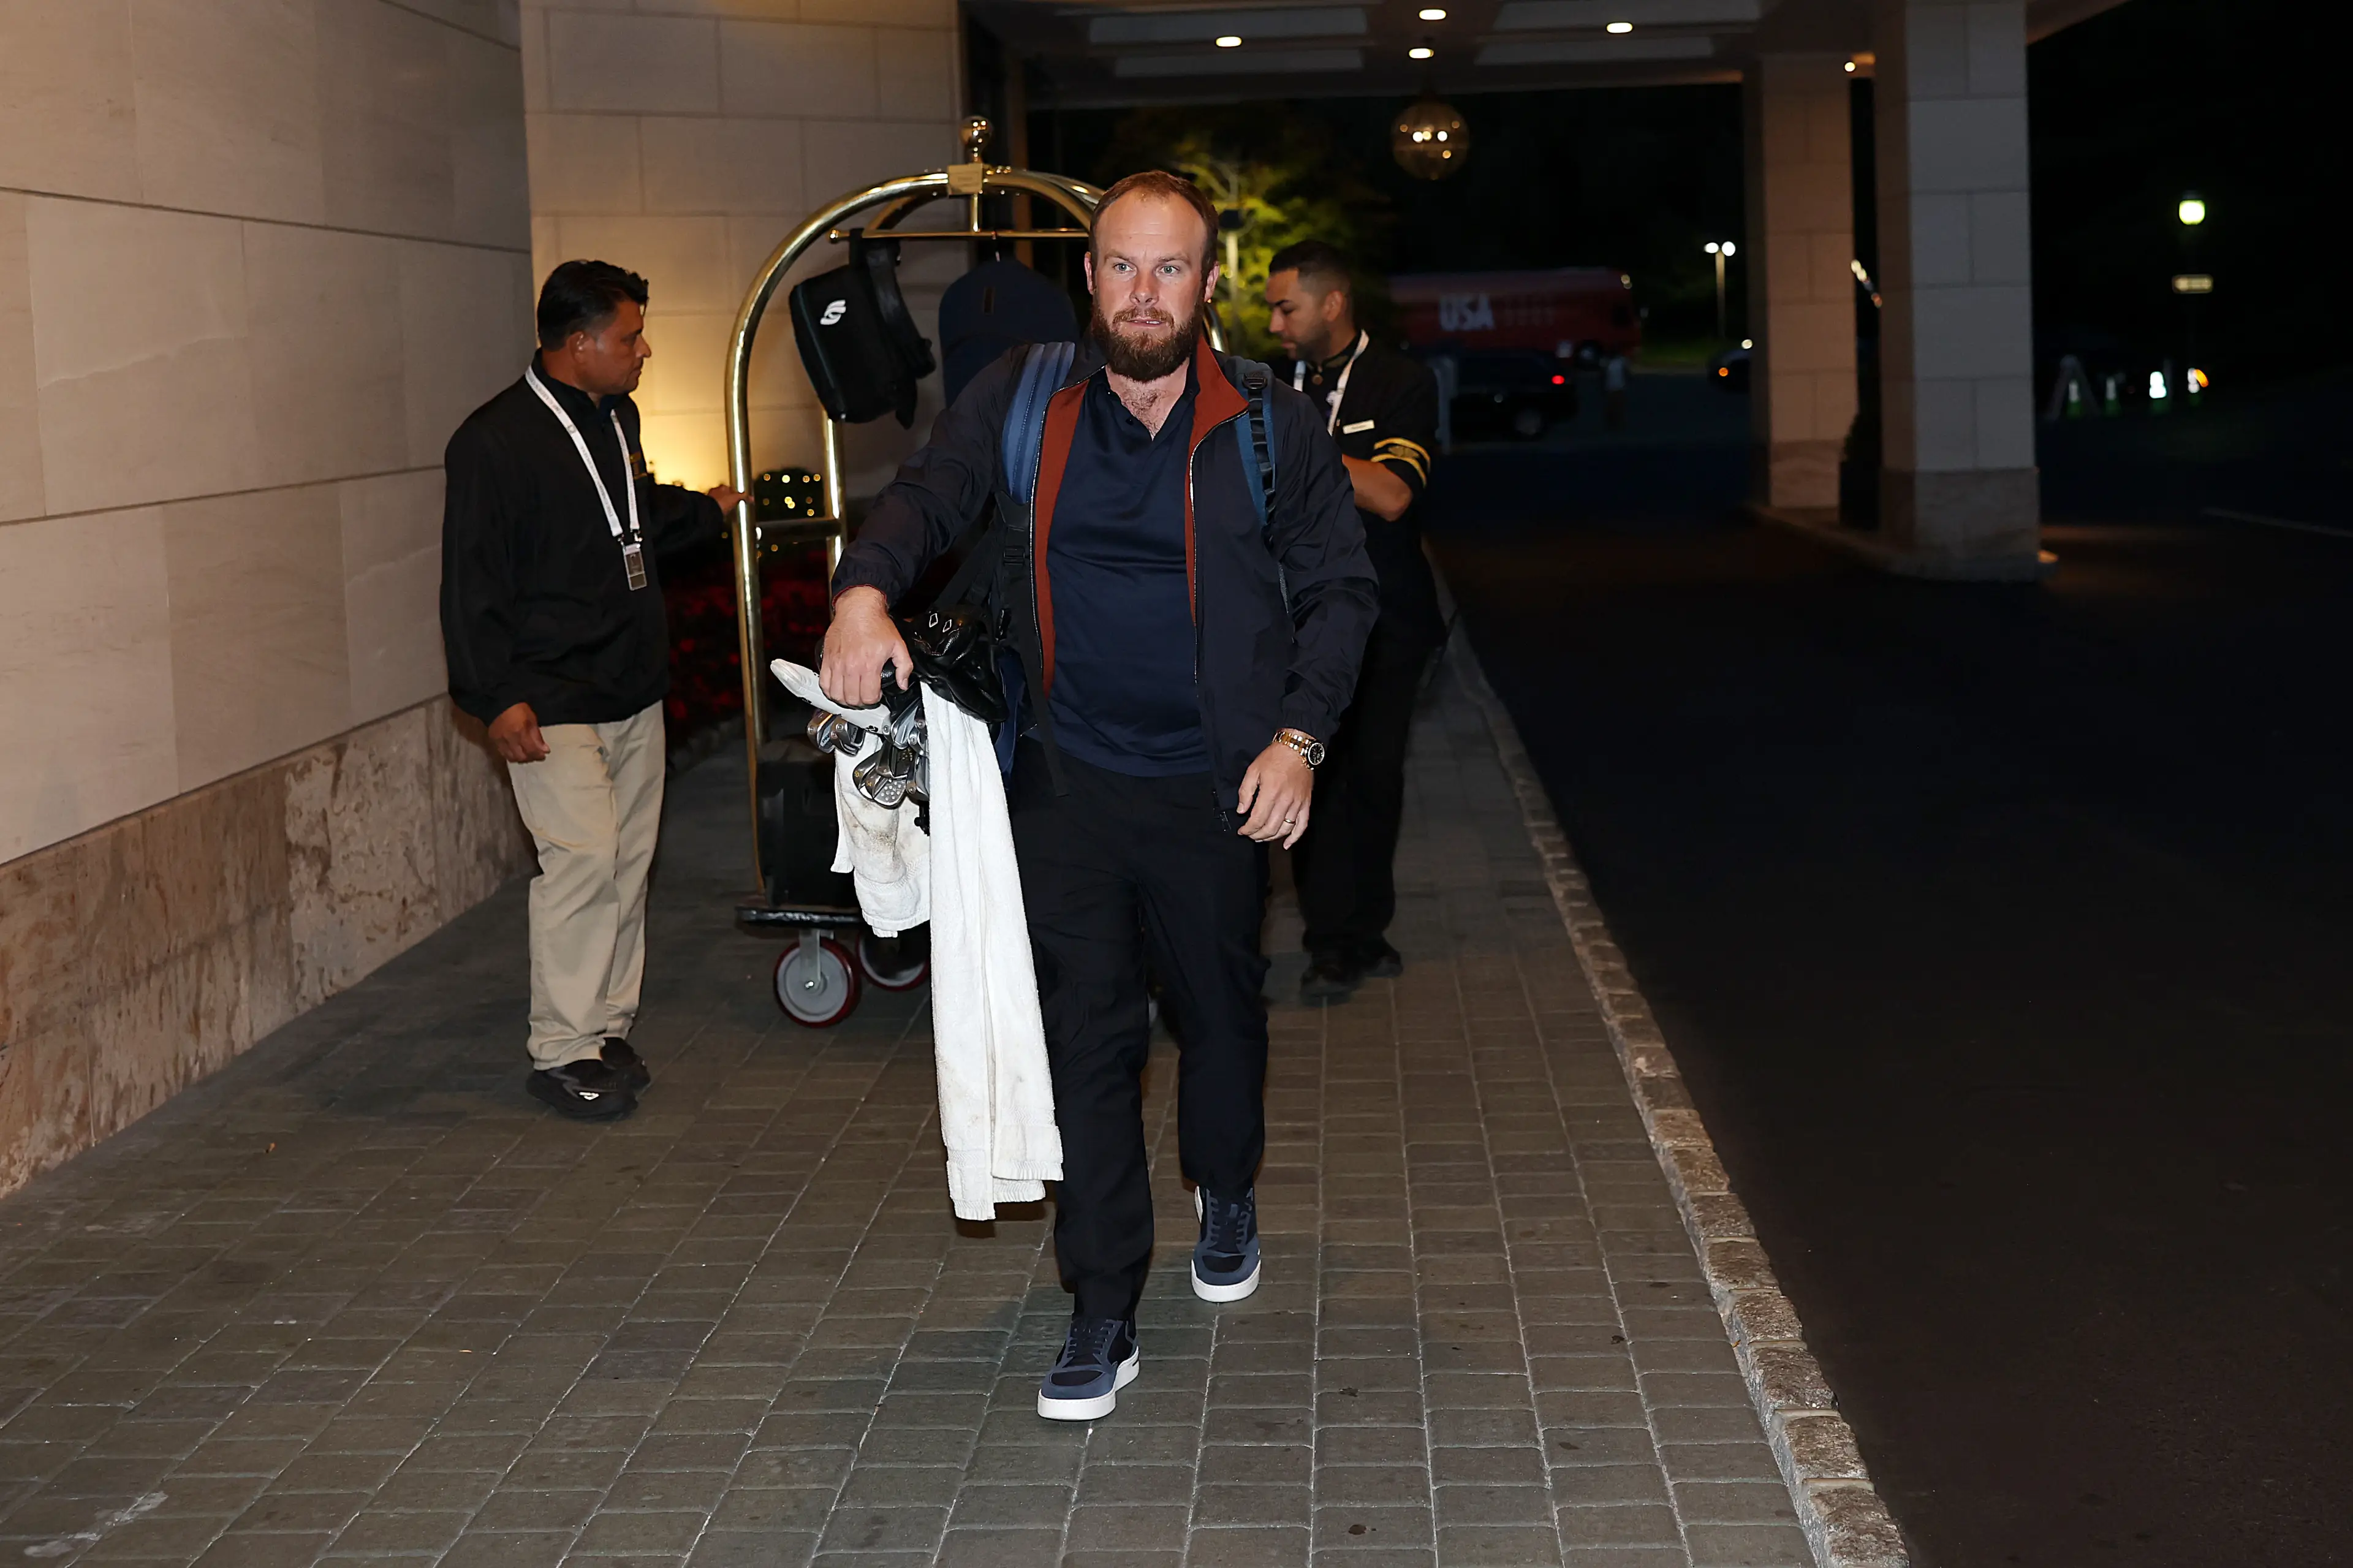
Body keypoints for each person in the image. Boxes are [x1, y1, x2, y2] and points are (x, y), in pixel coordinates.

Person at [820, 172, 1376, 1420]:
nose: (1143, 293)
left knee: (1221, 1015)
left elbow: (1344, 590)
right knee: (1088, 1036)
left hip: (1217, 788)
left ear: (1208, 283)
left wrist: (1299, 741)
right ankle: (1103, 1302)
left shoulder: (1268, 424)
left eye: (1170, 268)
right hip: (1066, 778)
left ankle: (1225, 1181)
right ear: (1089, 275)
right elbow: (928, 492)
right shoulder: (1025, 398)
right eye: (1122, 265)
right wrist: (863, 592)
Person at [441, 260, 746, 1121]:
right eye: (630, 337)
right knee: (581, 863)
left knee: (625, 864)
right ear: (578, 344)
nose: (644, 351)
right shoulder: (492, 441)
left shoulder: (618, 415)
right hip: (548, 694)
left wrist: (709, 512)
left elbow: (632, 516)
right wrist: (494, 696)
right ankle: (564, 1051)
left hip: (631, 682)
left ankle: (607, 1028)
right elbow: (470, 582)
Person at [1263, 242, 1446, 1005]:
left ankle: (1366, 931)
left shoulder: (1401, 381)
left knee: (1375, 776)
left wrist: (1301, 444)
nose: (1275, 325)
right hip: (1295, 622)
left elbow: (1394, 494)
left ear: (1332, 303)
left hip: (1388, 622)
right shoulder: (1268, 385)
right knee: (1315, 773)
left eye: (1286, 308)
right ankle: (1331, 939)